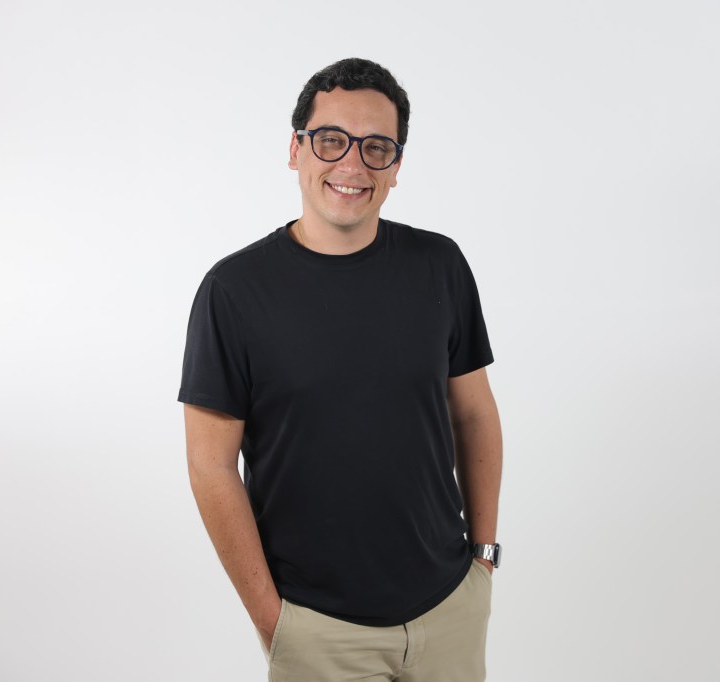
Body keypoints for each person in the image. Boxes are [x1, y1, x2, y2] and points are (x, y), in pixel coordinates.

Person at [179, 57, 503, 681]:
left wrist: (482, 559)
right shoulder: (234, 291)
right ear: (295, 150)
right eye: (331, 140)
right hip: (316, 630)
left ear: (397, 166)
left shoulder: (439, 265)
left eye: (377, 147)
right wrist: (272, 618)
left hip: (449, 613)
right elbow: (210, 466)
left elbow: (474, 412)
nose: (353, 164)